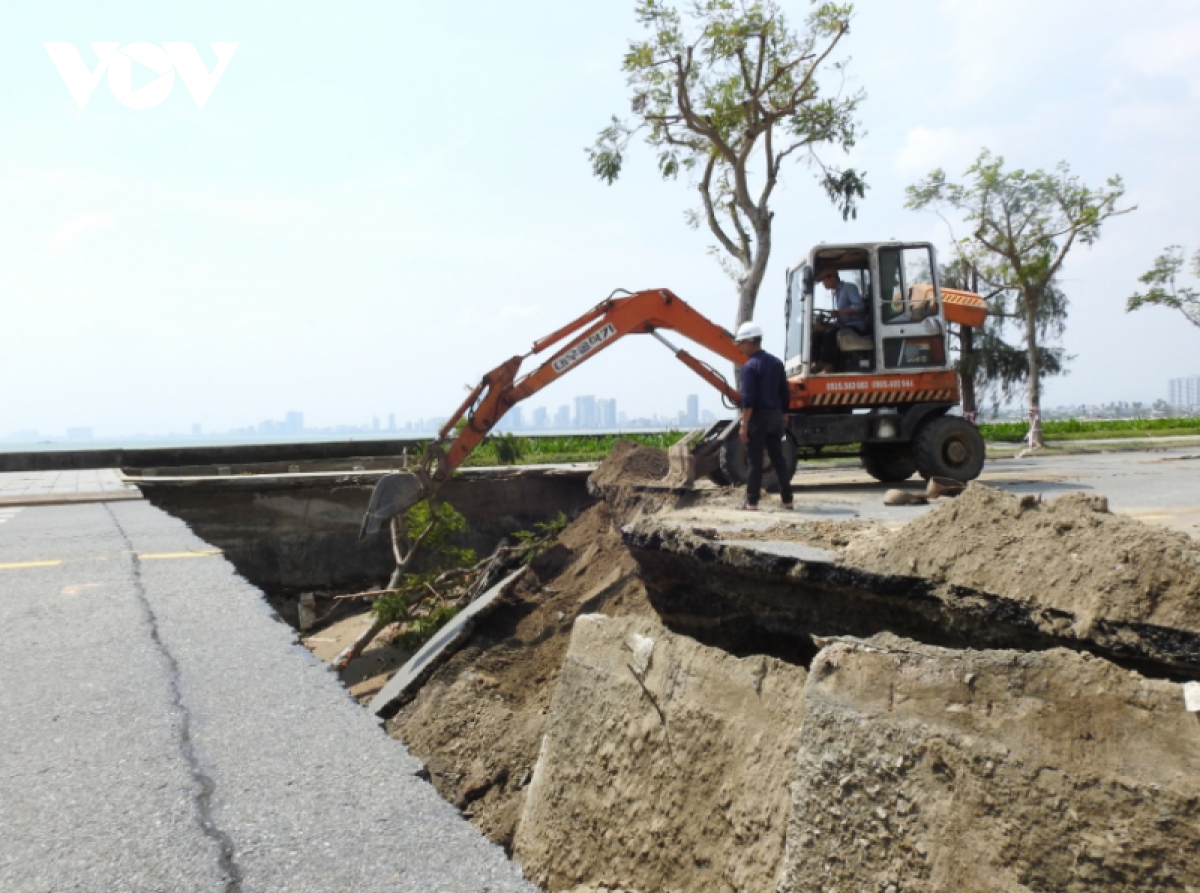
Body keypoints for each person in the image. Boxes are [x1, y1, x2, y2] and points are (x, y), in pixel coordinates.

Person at [734, 321, 794, 511]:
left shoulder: (750, 367)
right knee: (778, 459)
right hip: (775, 416)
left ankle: (752, 501)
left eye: (741, 343)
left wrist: (744, 424)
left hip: (758, 418)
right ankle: (788, 500)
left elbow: (748, 399)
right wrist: (784, 413)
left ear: (750, 342)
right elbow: (784, 392)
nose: (740, 347)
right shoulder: (776, 363)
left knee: (755, 461)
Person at [813, 268, 869, 373]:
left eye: (824, 280)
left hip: (855, 326)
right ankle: (815, 364)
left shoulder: (848, 287)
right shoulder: (836, 293)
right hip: (844, 325)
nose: (823, 283)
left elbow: (860, 306)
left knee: (830, 334)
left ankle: (829, 367)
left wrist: (838, 313)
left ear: (832, 277)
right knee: (817, 335)